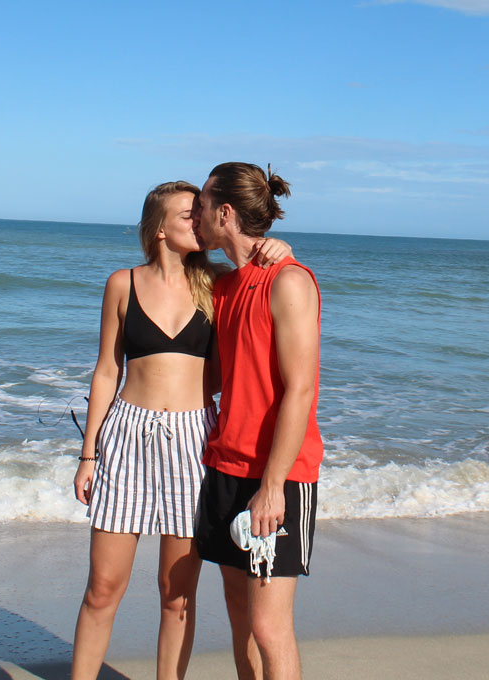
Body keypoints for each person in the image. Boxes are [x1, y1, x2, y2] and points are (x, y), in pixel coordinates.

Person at [70, 181, 289, 680]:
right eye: (189, 215)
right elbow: (107, 370)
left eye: (202, 213)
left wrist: (281, 247)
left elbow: (269, 273)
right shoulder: (121, 283)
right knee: (103, 587)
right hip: (127, 437)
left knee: (177, 595)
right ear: (160, 228)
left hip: (193, 439)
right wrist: (88, 455)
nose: (201, 220)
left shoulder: (216, 284)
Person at [191, 163, 322, 680]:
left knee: (270, 629)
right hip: (226, 467)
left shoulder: (289, 281)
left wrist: (272, 489)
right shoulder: (222, 287)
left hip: (279, 477)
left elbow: (301, 390)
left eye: (202, 205)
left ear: (225, 212)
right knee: (241, 621)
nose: (196, 214)